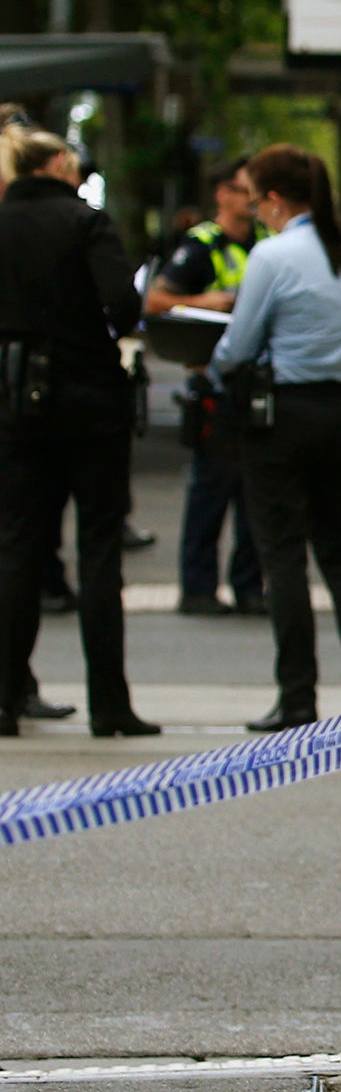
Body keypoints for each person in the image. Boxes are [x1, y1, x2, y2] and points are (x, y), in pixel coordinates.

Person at [211, 145, 341, 732]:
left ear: (278, 200)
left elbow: (237, 347)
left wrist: (211, 369)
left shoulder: (273, 256)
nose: (256, 211)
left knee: (282, 554)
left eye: (258, 201)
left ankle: (298, 695)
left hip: (283, 415)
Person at [0, 128, 158, 737]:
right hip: (90, 402)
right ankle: (110, 705)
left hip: (15, 402)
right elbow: (122, 305)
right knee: (99, 551)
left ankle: (6, 696)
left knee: (19, 547)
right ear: (61, 164)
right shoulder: (85, 221)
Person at [146, 160, 266, 616]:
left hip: (254, 379)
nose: (249, 200)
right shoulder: (200, 245)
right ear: (222, 194)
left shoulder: (267, 244)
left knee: (254, 491)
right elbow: (157, 300)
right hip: (213, 381)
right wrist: (205, 302)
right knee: (211, 488)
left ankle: (249, 587)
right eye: (241, 190)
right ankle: (198, 589)